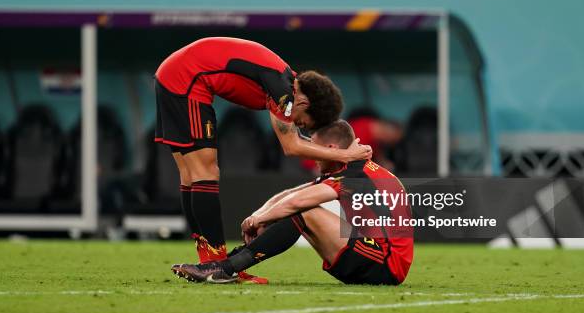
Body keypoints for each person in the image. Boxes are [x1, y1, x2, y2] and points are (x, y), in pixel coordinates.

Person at [155, 37, 372, 284]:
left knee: (190, 174)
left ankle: (210, 262)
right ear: (304, 103)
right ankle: (217, 266)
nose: (298, 126)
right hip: (188, 80)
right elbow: (291, 146)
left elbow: (295, 140)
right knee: (205, 172)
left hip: (173, 74)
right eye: (303, 122)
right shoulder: (286, 95)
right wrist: (346, 155)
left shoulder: (284, 83)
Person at [174, 120, 413, 285]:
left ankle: (225, 268)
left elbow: (298, 202)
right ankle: (226, 265)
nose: (311, 156)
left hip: (385, 264)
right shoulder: (350, 168)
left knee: (304, 212)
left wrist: (260, 219)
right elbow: (290, 193)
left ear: (331, 149)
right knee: (295, 209)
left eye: (314, 149)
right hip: (373, 257)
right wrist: (260, 215)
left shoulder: (354, 174)